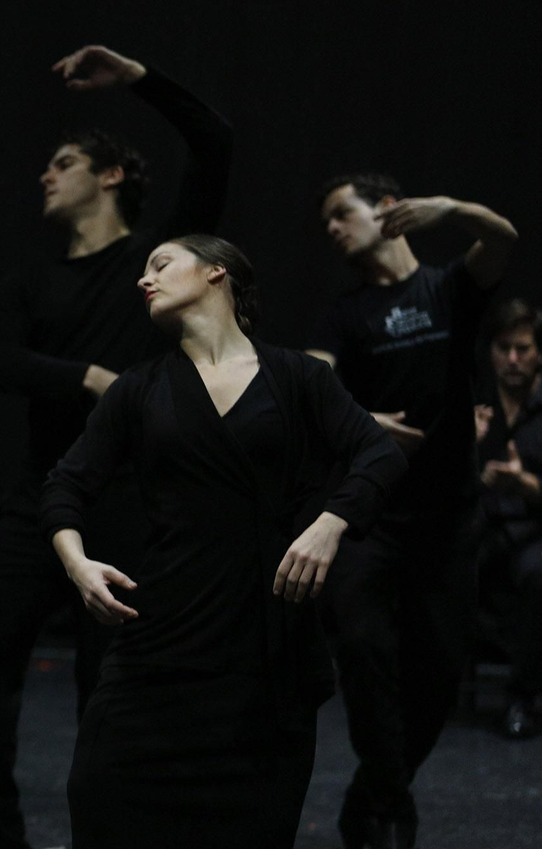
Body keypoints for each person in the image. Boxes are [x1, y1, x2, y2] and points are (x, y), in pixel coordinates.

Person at [0, 44, 232, 849]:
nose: (46, 174)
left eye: (64, 162)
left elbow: (215, 141)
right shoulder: (32, 284)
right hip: (42, 493)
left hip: (131, 502)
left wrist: (136, 79)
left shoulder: (159, 261)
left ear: (109, 177)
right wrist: (90, 376)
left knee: (108, 685)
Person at [44, 234, 406, 848]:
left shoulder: (296, 377)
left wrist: (330, 522)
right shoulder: (139, 388)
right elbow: (65, 485)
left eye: (160, 264)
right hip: (162, 642)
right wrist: (76, 563)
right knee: (102, 801)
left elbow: (378, 452)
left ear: (217, 273)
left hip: (263, 657)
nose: (143, 280)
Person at [306, 173, 517, 848]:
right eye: (327, 221)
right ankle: (393, 810)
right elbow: (312, 383)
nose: (333, 227)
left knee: (436, 678)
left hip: (449, 520)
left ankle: (372, 792)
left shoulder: (449, 287)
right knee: (364, 653)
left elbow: (502, 236)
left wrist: (453, 206)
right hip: (373, 519)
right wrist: (361, 417)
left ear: (387, 209)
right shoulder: (345, 313)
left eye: (342, 212)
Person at [471, 298, 542, 738]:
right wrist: (469, 454)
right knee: (434, 557)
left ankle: (522, 696)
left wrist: (526, 485)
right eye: (503, 348)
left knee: (538, 574)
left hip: (536, 527)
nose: (512, 359)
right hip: (482, 523)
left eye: (523, 349)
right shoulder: (474, 403)